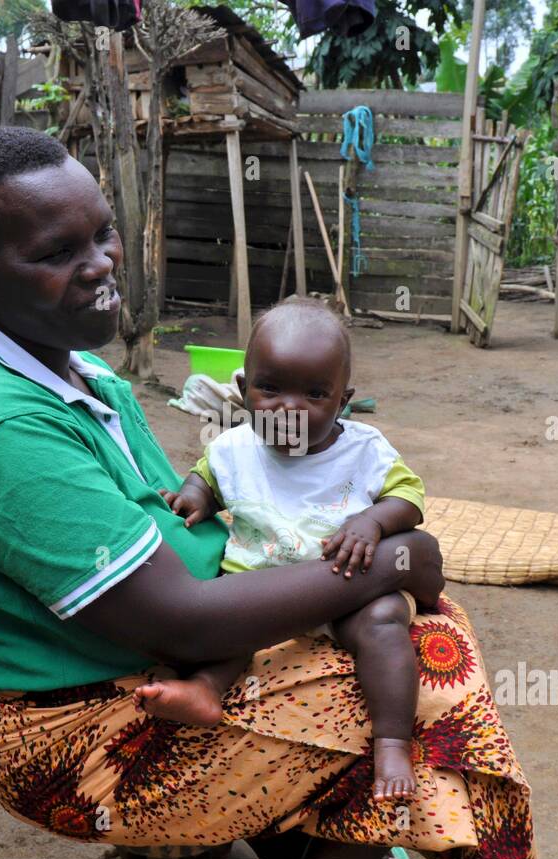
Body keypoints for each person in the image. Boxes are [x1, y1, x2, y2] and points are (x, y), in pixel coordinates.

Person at [0, 125, 533, 859]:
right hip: (78, 732)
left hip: (150, 652)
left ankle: (276, 828)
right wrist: (395, 560)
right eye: (55, 252)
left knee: (402, 633)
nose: (100, 262)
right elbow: (184, 623)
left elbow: (172, 521)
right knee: (426, 672)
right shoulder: (1, 429)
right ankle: (320, 835)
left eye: (102, 233)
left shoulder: (83, 376)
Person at [135, 301, 426, 802]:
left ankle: (393, 741)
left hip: (348, 588)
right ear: (243, 388)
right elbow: (206, 479)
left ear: (343, 400)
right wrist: (192, 498)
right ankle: (206, 688)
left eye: (314, 394)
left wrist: (372, 521)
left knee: (384, 624)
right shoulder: (233, 448)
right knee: (223, 623)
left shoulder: (364, 450)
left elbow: (409, 498)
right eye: (270, 389)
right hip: (260, 588)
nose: (288, 408)